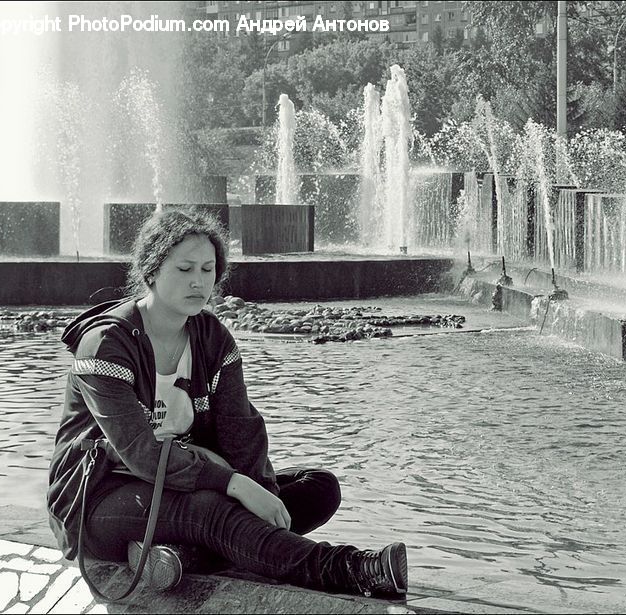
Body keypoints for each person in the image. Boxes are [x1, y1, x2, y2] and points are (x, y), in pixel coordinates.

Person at [47, 208, 407, 598]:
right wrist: (233, 484)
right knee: (211, 510)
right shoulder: (107, 344)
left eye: (208, 269)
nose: (199, 282)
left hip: (190, 483)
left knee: (318, 488)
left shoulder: (213, 338)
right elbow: (139, 452)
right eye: (184, 269)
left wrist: (258, 487)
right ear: (151, 271)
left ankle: (181, 556)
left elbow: (241, 431)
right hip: (100, 500)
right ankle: (352, 569)